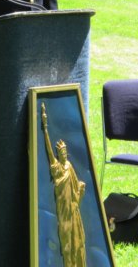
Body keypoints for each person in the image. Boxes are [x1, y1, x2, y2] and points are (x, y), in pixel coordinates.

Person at [42, 107, 86, 266]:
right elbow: (48, 151)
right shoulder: (57, 168)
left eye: (66, 153)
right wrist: (45, 128)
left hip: (73, 211)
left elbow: (75, 190)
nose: (65, 155)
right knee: (67, 246)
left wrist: (80, 190)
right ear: (58, 154)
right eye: (62, 153)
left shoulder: (69, 166)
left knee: (77, 243)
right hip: (63, 212)